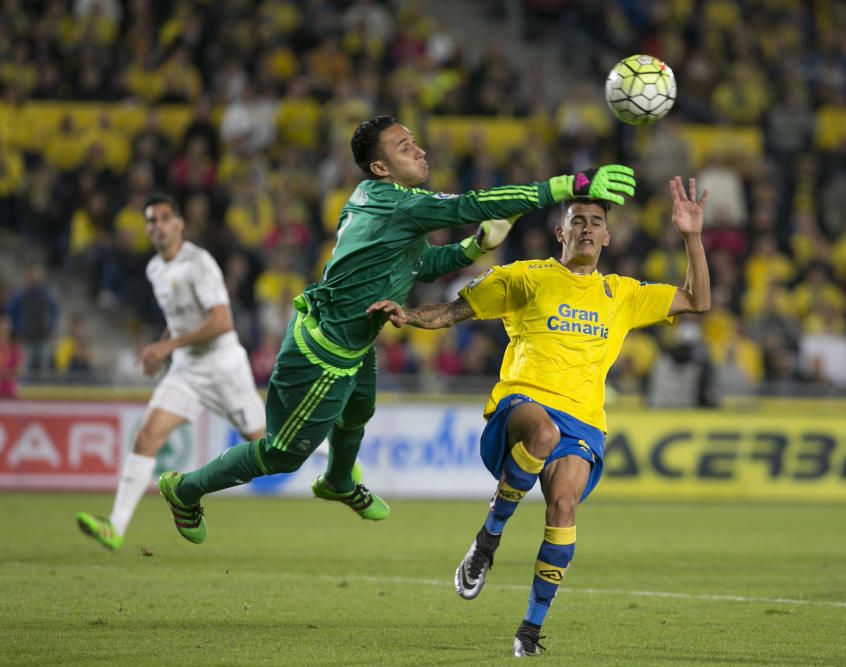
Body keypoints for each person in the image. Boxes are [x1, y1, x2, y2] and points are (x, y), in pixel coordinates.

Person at [156, 114, 636, 544]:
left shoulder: (381, 200)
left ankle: (339, 481)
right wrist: (566, 184)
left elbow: (420, 265)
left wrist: (474, 248)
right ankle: (185, 489)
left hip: (354, 338)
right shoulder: (400, 205)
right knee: (281, 455)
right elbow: (470, 204)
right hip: (322, 354)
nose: (420, 150)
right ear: (381, 167)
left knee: (358, 411)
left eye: (415, 142)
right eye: (405, 147)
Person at [367, 176, 710, 657]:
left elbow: (698, 300)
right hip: (523, 405)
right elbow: (451, 312)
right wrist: (407, 316)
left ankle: (529, 629)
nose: (588, 230)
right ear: (560, 232)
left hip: (585, 422)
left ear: (608, 237)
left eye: (596, 223)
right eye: (578, 222)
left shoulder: (623, 294)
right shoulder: (524, 277)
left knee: (564, 509)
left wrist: (692, 236)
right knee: (543, 433)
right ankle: (489, 539)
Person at [75, 193, 267, 551]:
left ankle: (331, 458)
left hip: (224, 367)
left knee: (268, 448)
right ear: (146, 229)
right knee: (146, 437)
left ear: (179, 224)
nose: (158, 226)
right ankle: (114, 527)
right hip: (186, 370)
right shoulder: (155, 269)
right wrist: (162, 347)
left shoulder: (199, 263)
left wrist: (167, 346)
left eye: (165, 218)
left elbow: (222, 321)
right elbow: (178, 322)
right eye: (151, 220)